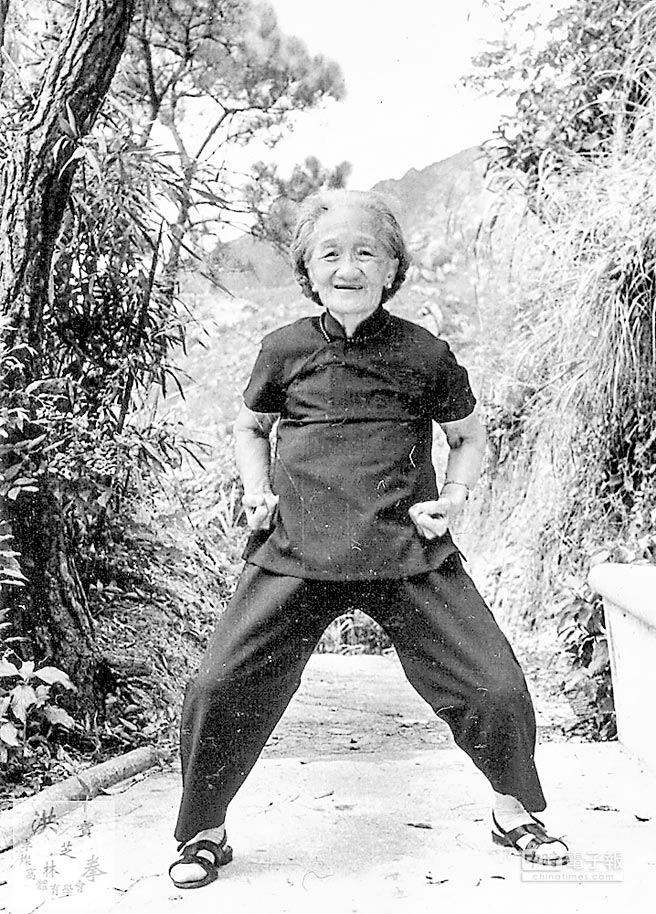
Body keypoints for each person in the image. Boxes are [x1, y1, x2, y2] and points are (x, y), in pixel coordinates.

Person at [168, 189, 569, 889]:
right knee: (219, 685)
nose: (347, 268)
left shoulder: (425, 353)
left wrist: (453, 498)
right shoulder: (283, 349)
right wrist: (255, 489)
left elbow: (468, 437)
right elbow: (250, 427)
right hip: (297, 548)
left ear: (391, 268)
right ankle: (204, 832)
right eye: (330, 254)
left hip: (404, 547)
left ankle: (514, 813)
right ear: (308, 269)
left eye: (366, 253)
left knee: (495, 684)